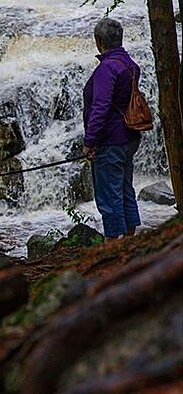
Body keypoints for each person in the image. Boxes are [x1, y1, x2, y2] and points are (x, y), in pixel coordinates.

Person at [82, 17, 141, 240]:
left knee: (109, 195)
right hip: (129, 137)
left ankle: (113, 246)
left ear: (99, 41)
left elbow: (100, 107)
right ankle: (130, 238)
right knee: (125, 189)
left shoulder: (107, 69)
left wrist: (90, 142)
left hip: (110, 141)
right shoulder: (130, 64)